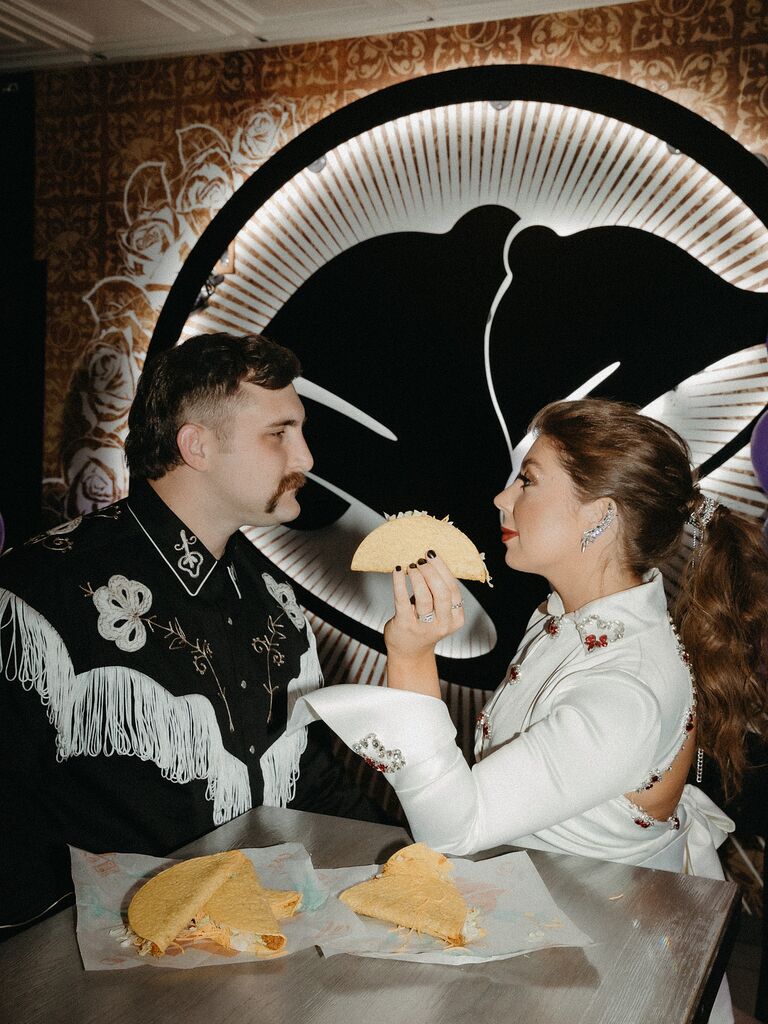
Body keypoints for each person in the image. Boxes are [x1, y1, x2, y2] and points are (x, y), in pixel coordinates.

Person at [291, 398, 768, 1024]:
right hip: (539, 938)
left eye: (528, 479)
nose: (500, 498)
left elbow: (455, 829)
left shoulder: (625, 687)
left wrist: (410, 656)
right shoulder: (566, 621)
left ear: (599, 517)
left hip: (593, 981)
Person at [0, 331, 384, 935]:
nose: (306, 458)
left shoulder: (273, 597)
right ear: (197, 445)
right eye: (279, 433)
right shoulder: (39, 589)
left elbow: (312, 780)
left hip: (258, 948)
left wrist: (402, 862)